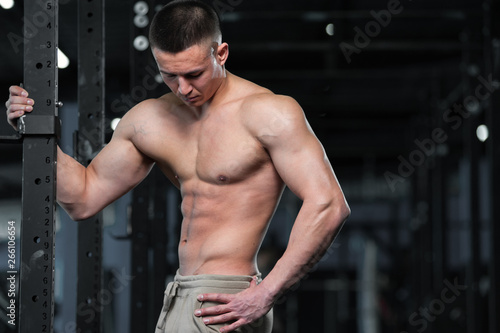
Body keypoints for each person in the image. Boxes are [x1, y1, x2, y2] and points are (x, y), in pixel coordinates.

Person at [5, 1, 350, 332]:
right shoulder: (149, 119)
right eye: (169, 75)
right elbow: (82, 198)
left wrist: (266, 293)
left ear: (221, 53)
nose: (184, 88)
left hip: (227, 296)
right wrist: (37, 132)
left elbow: (329, 204)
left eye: (194, 74)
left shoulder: (268, 113)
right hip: (179, 295)